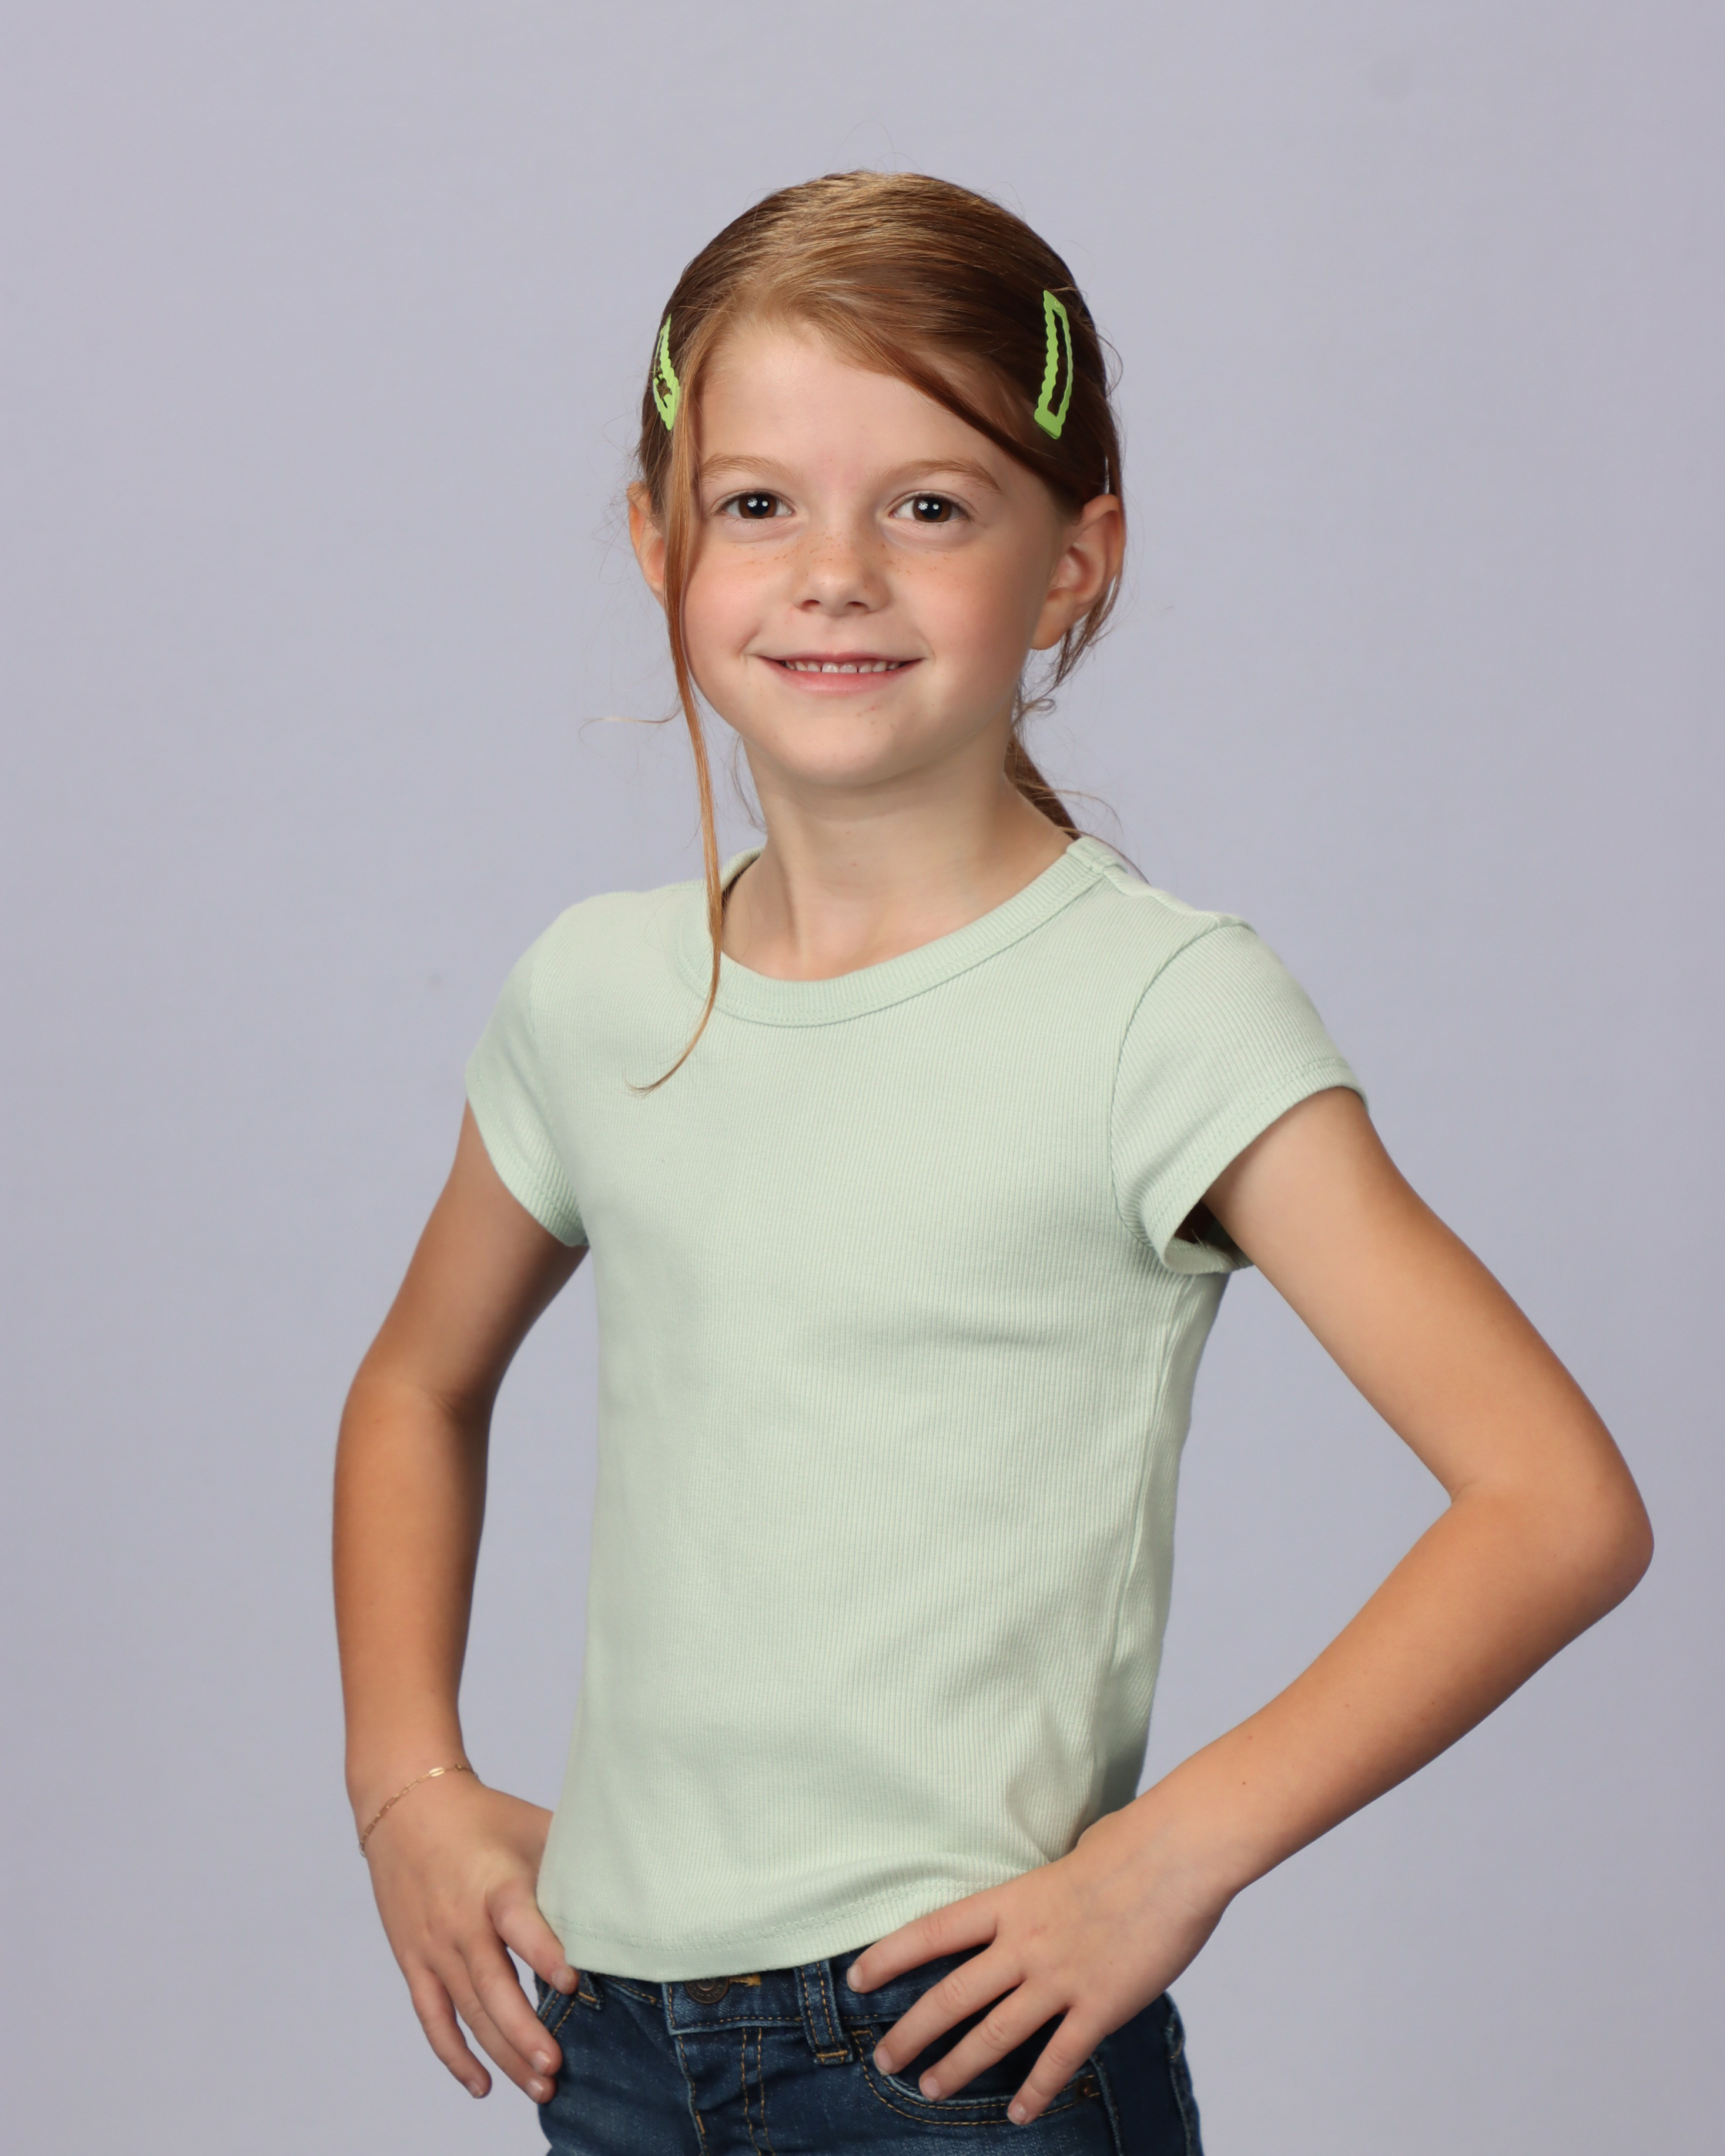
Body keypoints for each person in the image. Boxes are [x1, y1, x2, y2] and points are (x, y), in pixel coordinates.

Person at [332, 171, 1653, 2154]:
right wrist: (407, 1786)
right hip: (609, 2046)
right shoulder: (595, 995)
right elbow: (415, 1386)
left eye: (931, 507)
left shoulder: (1158, 1012)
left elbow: (1557, 1502)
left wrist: (1170, 1856)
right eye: (755, 503)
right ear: (657, 543)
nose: (833, 573)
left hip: (952, 2060)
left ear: (1073, 565)